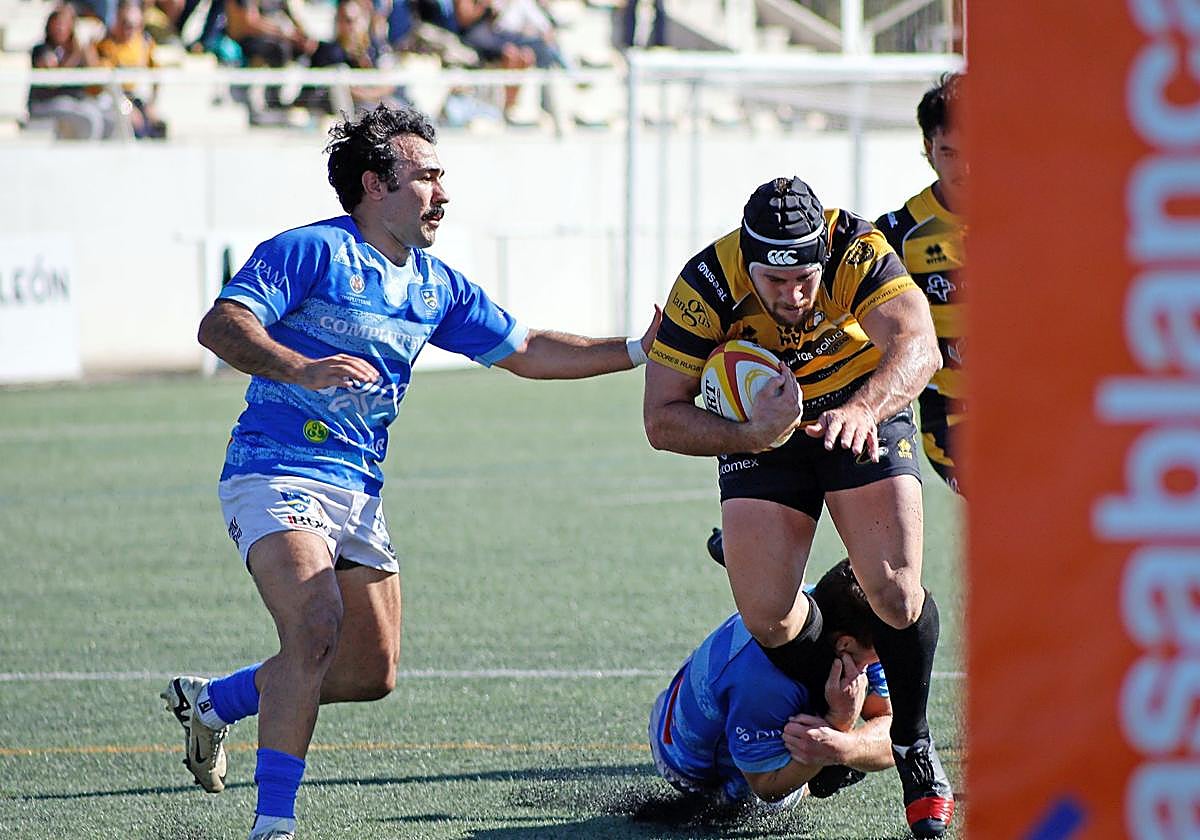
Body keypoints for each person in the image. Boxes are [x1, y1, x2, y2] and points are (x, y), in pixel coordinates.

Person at [160, 104, 659, 840]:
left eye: (441, 176)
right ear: (375, 185)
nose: (443, 193)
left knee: (369, 673)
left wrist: (638, 348)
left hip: (359, 492)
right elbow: (221, 325)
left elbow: (526, 350)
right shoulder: (310, 252)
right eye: (426, 176)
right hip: (276, 470)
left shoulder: (435, 285)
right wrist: (303, 367)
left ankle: (216, 703)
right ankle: (274, 825)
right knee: (315, 626)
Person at [642, 176, 954, 838]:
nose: (794, 296)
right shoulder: (705, 284)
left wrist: (865, 407)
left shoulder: (855, 249)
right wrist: (748, 435)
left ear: (822, 257)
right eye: (774, 282)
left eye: (805, 279)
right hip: (764, 432)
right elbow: (660, 418)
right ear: (746, 260)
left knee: (895, 594)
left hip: (858, 409)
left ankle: (914, 750)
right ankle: (825, 692)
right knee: (767, 615)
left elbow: (917, 345)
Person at [649, 559, 894, 809]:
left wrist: (844, 746)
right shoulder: (763, 684)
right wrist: (838, 723)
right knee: (766, 806)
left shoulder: (840, 615)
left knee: (835, 755)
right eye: (882, 652)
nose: (887, 657)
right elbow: (767, 787)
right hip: (683, 760)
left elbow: (894, 728)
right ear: (845, 644)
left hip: (701, 693)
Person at [875, 73, 967, 495]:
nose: (963, 167)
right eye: (949, 152)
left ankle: (862, 563)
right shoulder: (902, 233)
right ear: (930, 152)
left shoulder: (1033, 221)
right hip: (952, 418)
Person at [28, 3, 110, 140]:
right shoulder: (42, 50)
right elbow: (54, 78)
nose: (60, 28)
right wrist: (77, 53)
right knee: (89, 118)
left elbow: (95, 72)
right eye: (57, 23)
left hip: (75, 101)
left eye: (64, 24)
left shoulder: (78, 48)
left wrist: (86, 45)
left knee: (107, 115)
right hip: (46, 103)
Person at [96, 0, 168, 138]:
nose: (129, 30)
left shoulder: (145, 44)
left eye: (134, 26)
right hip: (115, 100)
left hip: (137, 99)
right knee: (132, 123)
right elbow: (108, 86)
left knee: (158, 126)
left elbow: (157, 74)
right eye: (125, 24)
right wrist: (127, 106)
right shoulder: (107, 46)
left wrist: (152, 103)